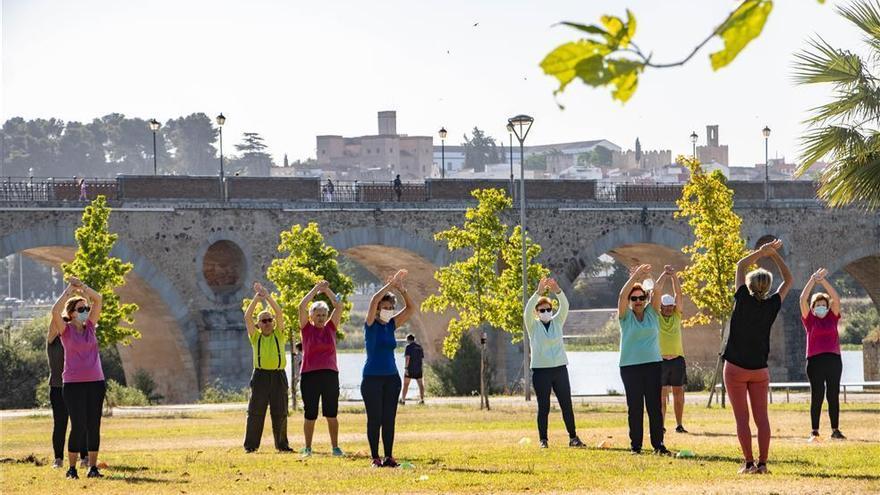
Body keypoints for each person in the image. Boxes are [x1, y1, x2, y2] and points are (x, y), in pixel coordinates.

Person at [723, 239, 792, 474]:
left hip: (735, 369)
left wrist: (760, 253)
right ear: (767, 286)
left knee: (742, 419)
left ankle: (749, 463)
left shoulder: (742, 298)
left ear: (749, 285)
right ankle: (763, 464)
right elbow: (789, 280)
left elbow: (740, 266)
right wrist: (774, 256)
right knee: (762, 418)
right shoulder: (772, 304)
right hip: (759, 370)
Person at [47, 277, 105, 479]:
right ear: (71, 314)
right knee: (78, 425)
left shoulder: (90, 327)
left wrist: (84, 288)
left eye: (85, 309)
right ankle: (71, 469)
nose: (85, 312)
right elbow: (55, 312)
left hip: (96, 382)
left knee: (93, 425)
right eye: (80, 310)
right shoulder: (66, 330)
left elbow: (99, 299)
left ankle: (93, 467)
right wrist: (69, 292)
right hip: (73, 384)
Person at [524, 277, 585, 448]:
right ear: (537, 312)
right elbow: (527, 311)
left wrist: (557, 290)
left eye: (548, 309)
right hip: (541, 371)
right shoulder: (533, 326)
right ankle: (543, 440)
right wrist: (538, 292)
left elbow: (564, 306)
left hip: (559, 369)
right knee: (544, 407)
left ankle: (573, 438)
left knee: (567, 404)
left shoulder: (557, 322)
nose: (546, 312)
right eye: (542, 310)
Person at [362, 269, 414, 467]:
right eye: (385, 307)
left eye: (391, 307)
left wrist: (402, 290)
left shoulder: (391, 324)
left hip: (392, 379)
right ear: (377, 310)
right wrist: (390, 285)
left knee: (389, 419)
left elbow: (411, 309)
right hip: (372, 378)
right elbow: (373, 300)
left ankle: (389, 457)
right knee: (374, 419)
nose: (389, 310)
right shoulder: (370, 325)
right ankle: (375, 457)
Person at [617, 264, 670, 455]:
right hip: (630, 367)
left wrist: (648, 276)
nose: (638, 301)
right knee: (635, 408)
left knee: (654, 406)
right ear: (630, 301)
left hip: (653, 365)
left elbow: (657, 291)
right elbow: (622, 296)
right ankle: (636, 446)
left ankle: (658, 444)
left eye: (641, 298)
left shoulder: (652, 313)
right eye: (634, 298)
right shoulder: (624, 317)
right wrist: (635, 278)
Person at [243, 282, 292, 453]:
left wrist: (268, 296)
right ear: (258, 325)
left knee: (281, 412)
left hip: (279, 376)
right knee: (256, 412)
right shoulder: (255, 337)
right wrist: (257, 299)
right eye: (263, 321)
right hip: (260, 376)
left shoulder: (279, 334)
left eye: (269, 320)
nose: (267, 323)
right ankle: (251, 446)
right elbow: (247, 317)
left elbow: (279, 312)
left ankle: (282, 445)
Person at [298, 280, 345, 458]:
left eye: (324, 315)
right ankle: (308, 448)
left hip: (330, 375)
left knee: (331, 413)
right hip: (309, 375)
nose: (321, 318)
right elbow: (302, 306)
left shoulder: (331, 327)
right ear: (311, 316)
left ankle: (335, 447)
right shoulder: (306, 329)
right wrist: (315, 290)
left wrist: (328, 291)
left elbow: (338, 306)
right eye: (317, 315)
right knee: (310, 414)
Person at [800, 267, 845, 440]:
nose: (821, 307)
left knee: (833, 394)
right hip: (814, 361)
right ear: (813, 307)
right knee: (817, 395)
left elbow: (836, 298)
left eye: (823, 305)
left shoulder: (832, 317)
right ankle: (814, 431)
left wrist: (823, 280)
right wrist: (813, 280)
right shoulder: (809, 320)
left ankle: (835, 430)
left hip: (834, 360)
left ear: (827, 307)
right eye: (817, 305)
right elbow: (802, 298)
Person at [47, 323, 88, 469]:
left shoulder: (74, 338)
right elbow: (55, 316)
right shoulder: (53, 340)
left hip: (76, 385)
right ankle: (58, 459)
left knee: (80, 423)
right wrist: (65, 300)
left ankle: (85, 457)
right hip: (58, 387)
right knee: (60, 424)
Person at [655, 265, 688, 434]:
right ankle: (661, 425)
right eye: (665, 306)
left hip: (677, 360)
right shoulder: (657, 316)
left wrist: (674, 277)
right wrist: (663, 274)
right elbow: (656, 293)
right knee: (661, 397)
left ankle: (679, 424)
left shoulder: (677, 315)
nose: (668, 308)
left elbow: (679, 295)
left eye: (670, 306)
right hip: (661, 360)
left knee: (678, 394)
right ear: (661, 307)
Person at [399, 334, 425, 406]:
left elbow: (407, 358)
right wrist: (421, 368)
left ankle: (403, 400)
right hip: (418, 369)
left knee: (406, 385)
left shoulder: (408, 347)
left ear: (408, 340)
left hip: (410, 368)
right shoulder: (419, 347)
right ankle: (422, 400)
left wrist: (406, 368)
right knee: (420, 385)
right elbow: (422, 359)